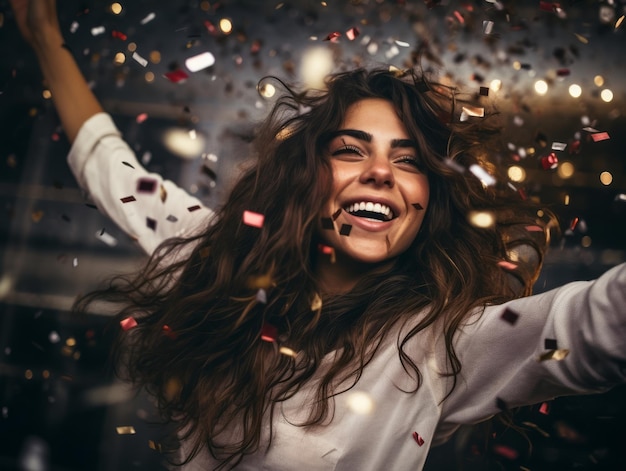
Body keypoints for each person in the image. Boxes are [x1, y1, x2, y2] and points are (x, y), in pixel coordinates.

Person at [10, 1, 626, 470]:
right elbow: (110, 167)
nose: (380, 172)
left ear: (427, 204)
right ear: (310, 178)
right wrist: (44, 37)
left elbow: (596, 323)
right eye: (352, 150)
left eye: (408, 160)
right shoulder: (217, 258)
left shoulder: (440, 342)